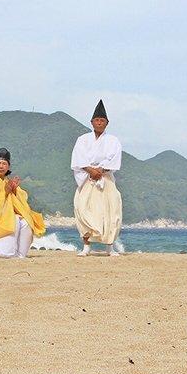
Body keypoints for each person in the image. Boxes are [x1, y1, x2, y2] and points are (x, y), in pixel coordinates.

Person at [70, 99, 123, 256]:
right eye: (97, 120)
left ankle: (109, 247)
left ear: (107, 123)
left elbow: (115, 158)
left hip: (105, 178)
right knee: (82, 209)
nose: (99, 123)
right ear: (92, 122)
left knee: (111, 211)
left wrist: (101, 169)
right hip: (87, 179)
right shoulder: (83, 139)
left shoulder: (113, 140)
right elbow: (77, 157)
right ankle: (86, 246)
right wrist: (90, 169)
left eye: (102, 120)